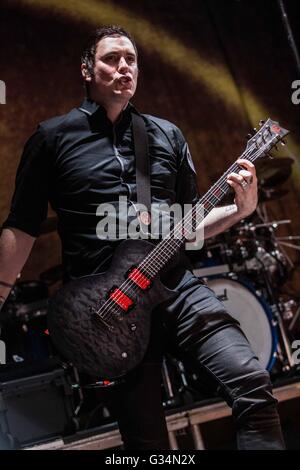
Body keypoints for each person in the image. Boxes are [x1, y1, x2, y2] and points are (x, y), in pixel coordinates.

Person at [0, 25, 285, 450]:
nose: (123, 67)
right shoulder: (51, 139)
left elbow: (187, 229)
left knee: (252, 382)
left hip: (175, 288)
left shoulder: (166, 136)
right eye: (111, 58)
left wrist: (241, 210)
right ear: (86, 69)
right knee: (145, 444)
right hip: (106, 309)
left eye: (131, 60)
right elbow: (22, 226)